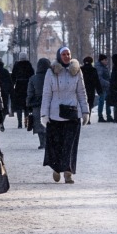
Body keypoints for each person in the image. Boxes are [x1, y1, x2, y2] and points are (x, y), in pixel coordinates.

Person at [40, 47, 89, 184]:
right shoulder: (51, 72)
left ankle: (68, 172)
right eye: (64, 54)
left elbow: (81, 92)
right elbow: (46, 94)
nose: (66, 56)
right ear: (59, 56)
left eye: (68, 54)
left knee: (70, 145)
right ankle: (56, 168)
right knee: (56, 145)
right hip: (55, 115)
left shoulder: (77, 71)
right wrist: (44, 114)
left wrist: (85, 112)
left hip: (73, 115)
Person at [27, 57, 51, 149]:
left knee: (39, 123)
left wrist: (29, 103)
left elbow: (30, 93)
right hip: (49, 103)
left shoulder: (33, 78)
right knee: (49, 122)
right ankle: (49, 142)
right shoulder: (52, 77)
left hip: (37, 104)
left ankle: (42, 143)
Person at [11, 52, 35, 129]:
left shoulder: (16, 65)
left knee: (19, 106)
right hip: (27, 86)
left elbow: (13, 77)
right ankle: (26, 122)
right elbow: (32, 76)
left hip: (18, 87)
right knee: (26, 106)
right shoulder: (29, 65)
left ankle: (19, 123)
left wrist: (13, 85)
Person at [81, 56, 102, 124]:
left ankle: (81, 117)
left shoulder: (81, 69)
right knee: (89, 105)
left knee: (82, 103)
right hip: (91, 90)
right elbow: (97, 81)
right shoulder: (93, 70)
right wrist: (99, 91)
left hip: (82, 90)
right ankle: (88, 119)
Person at [0, 58, 13, 132]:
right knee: (4, 108)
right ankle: (1, 122)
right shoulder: (5, 71)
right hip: (4, 91)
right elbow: (10, 83)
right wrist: (11, 92)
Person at [95, 54, 112, 122]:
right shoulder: (99, 67)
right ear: (101, 60)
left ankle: (109, 116)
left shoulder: (104, 66)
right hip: (102, 87)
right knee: (101, 101)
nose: (106, 61)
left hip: (107, 87)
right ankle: (100, 116)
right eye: (105, 60)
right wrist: (108, 83)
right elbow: (99, 78)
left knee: (108, 101)